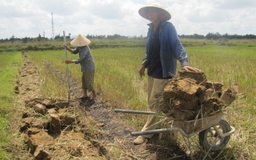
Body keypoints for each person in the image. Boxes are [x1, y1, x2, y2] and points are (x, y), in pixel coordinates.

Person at [133, 3, 201, 145]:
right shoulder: (151, 29)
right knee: (152, 102)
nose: (149, 14)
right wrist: (144, 63)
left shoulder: (168, 27)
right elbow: (149, 50)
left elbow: (177, 45)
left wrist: (184, 62)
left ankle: (147, 134)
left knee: (155, 102)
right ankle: (162, 122)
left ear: (160, 14)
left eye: (152, 12)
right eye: (148, 12)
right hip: (152, 71)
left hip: (164, 72)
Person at [64, 34, 97, 100]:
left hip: (89, 67)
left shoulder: (85, 48)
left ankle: (94, 94)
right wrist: (67, 48)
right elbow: (74, 51)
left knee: (89, 82)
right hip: (84, 67)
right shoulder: (79, 47)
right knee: (84, 81)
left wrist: (70, 61)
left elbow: (81, 58)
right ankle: (85, 94)